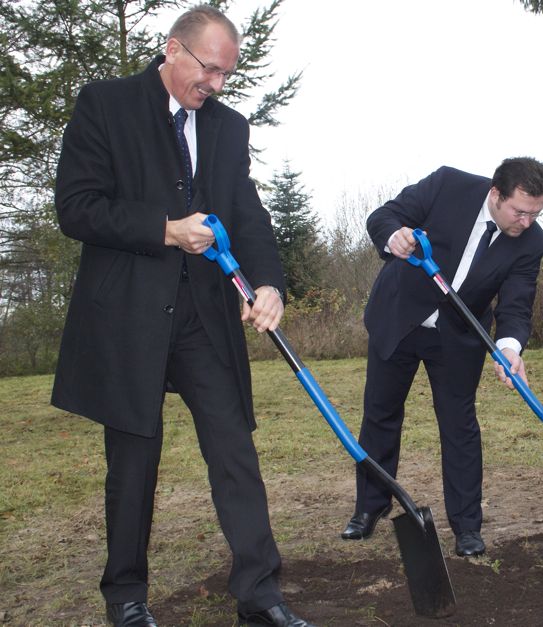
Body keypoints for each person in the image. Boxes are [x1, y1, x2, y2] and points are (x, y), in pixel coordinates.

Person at [52, 6, 314, 627]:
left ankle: (260, 593)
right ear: (172, 50)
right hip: (129, 319)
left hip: (205, 317)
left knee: (233, 450)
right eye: (210, 70)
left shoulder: (228, 128)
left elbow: (248, 217)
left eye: (227, 75)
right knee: (134, 462)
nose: (217, 86)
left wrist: (269, 284)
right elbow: (77, 208)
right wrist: (164, 231)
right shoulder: (105, 105)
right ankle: (127, 598)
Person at [341, 158, 543, 557]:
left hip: (458, 336)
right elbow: (383, 216)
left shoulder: (532, 243)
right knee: (380, 414)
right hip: (399, 316)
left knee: (460, 426)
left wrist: (509, 348)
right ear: (496, 194)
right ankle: (369, 508)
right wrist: (395, 236)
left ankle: (467, 526)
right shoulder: (447, 185)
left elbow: (517, 303)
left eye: (535, 214)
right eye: (519, 212)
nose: (526, 222)